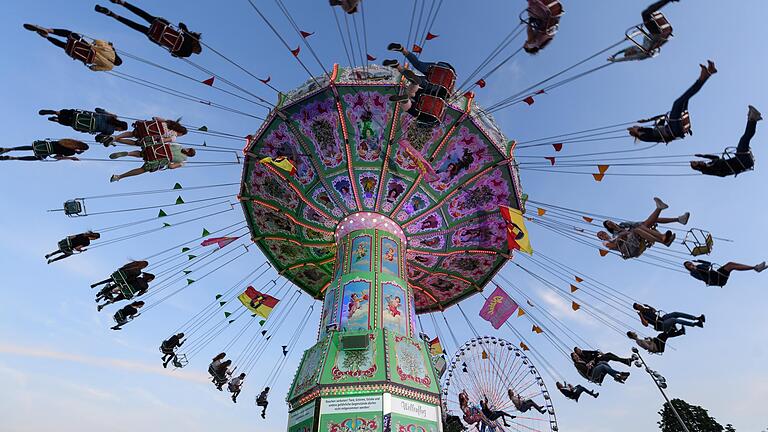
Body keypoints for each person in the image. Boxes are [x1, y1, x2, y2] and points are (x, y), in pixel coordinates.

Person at [628, 61, 717, 143]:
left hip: (672, 127)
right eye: (633, 128)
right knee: (677, 103)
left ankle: (707, 74)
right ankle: (703, 77)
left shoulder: (651, 130)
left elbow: (661, 118)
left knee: (684, 100)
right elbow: (657, 137)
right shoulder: (643, 137)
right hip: (673, 130)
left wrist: (647, 120)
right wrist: (639, 131)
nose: (635, 126)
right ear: (634, 131)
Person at [95, 1, 202, 58]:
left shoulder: (189, 38)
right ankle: (113, 15)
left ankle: (121, 2)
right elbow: (173, 54)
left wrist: (187, 32)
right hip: (156, 37)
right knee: (136, 26)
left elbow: (181, 24)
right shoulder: (186, 54)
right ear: (194, 51)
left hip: (161, 25)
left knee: (143, 15)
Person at [597, 197, 688, 258]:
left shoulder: (623, 224)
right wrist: (621, 236)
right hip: (630, 247)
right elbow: (615, 245)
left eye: (610, 222)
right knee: (638, 229)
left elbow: (636, 224)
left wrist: (647, 222)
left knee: (650, 221)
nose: (603, 234)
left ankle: (679, 220)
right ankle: (662, 237)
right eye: (601, 235)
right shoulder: (612, 237)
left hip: (637, 235)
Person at [383, 43, 455, 119]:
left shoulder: (439, 100)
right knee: (412, 92)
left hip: (445, 70)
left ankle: (402, 50)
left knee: (418, 64)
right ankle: (399, 68)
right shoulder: (423, 111)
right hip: (439, 86)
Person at [691, 106, 762, 177]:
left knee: (744, 139)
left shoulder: (711, 163)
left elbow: (716, 158)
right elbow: (722, 175)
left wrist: (703, 156)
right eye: (698, 163)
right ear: (699, 167)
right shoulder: (707, 170)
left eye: (698, 161)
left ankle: (752, 119)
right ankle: (752, 118)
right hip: (742, 162)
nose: (700, 161)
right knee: (744, 139)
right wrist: (701, 166)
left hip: (740, 159)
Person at [23, 24, 122, 71]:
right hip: (82, 56)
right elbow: (94, 68)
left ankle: (48, 30)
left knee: (69, 34)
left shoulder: (111, 51)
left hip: (87, 47)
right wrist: (91, 65)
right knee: (64, 46)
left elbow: (97, 41)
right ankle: (46, 37)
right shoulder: (110, 67)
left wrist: (109, 45)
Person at [609, 0, 677, 62]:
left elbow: (624, 50)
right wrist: (615, 60)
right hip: (658, 36)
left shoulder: (640, 46)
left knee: (646, 13)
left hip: (655, 32)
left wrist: (615, 54)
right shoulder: (642, 54)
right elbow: (628, 58)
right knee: (645, 14)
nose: (630, 50)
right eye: (629, 53)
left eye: (629, 51)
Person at [108, 140, 196, 182]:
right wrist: (169, 161)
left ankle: (128, 153)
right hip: (156, 161)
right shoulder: (183, 161)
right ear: (189, 155)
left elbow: (164, 142)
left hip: (153, 150)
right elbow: (171, 166)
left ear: (188, 149)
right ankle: (119, 176)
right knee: (142, 170)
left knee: (141, 153)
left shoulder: (179, 145)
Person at [38, 108, 128, 143]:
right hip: (82, 126)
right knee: (70, 123)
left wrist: (110, 113)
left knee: (70, 112)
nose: (119, 131)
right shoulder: (110, 131)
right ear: (120, 127)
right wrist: (106, 139)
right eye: (120, 130)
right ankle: (57, 120)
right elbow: (97, 137)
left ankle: (55, 112)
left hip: (81, 115)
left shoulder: (110, 117)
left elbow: (97, 109)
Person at [684, 259, 766, 287]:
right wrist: (694, 269)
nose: (690, 265)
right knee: (731, 266)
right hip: (716, 279)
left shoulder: (699, 266)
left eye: (690, 263)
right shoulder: (693, 273)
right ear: (688, 268)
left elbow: (708, 264)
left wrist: (699, 261)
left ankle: (755, 267)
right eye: (688, 265)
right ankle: (755, 268)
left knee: (730, 264)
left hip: (716, 274)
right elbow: (701, 277)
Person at [632, 303, 704, 332]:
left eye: (639, 305)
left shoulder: (646, 309)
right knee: (673, 320)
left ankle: (697, 318)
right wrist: (641, 315)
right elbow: (646, 324)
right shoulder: (642, 315)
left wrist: (648, 306)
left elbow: (654, 311)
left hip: (662, 319)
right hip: (661, 325)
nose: (640, 306)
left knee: (675, 313)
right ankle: (695, 324)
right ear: (637, 309)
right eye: (638, 306)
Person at [114, 118, 188, 145]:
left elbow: (155, 118)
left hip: (144, 126)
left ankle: (116, 137)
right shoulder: (174, 137)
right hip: (146, 136)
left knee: (132, 133)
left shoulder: (169, 122)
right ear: (181, 133)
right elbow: (161, 141)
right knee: (137, 143)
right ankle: (117, 140)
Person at [0, 139, 88, 161]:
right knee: (39, 158)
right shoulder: (71, 152)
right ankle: (13, 158)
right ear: (80, 149)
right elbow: (57, 157)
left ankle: (8, 149)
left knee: (31, 147)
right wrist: (71, 158)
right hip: (48, 151)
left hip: (45, 144)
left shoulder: (69, 141)